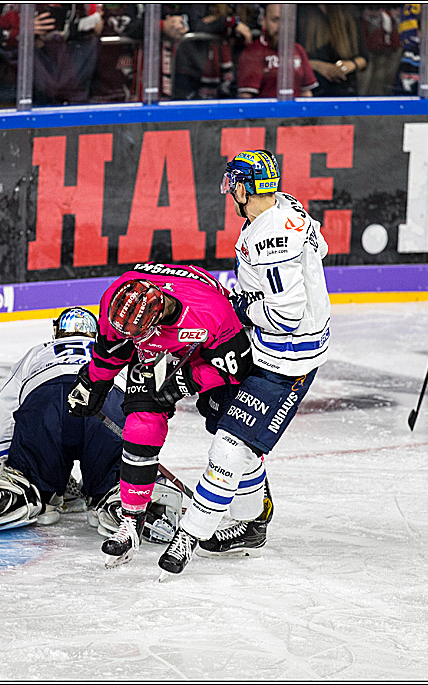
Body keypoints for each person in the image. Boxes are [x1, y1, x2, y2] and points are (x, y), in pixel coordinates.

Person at [155, 150, 332, 576]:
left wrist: (243, 305)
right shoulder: (285, 205)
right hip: (267, 346)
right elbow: (319, 242)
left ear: (245, 186)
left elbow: (287, 315)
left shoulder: (271, 241)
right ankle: (252, 522)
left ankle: (189, 535)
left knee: (229, 445)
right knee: (221, 417)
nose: (229, 189)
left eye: (233, 181)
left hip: (286, 359)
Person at [66, 263, 253, 569]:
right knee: (141, 425)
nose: (133, 342)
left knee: (233, 432)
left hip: (206, 351)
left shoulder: (211, 311)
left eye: (138, 335)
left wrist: (189, 381)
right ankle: (130, 519)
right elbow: (111, 350)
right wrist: (94, 384)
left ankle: (254, 520)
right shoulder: (117, 298)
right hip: (162, 350)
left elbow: (237, 368)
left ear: (157, 317)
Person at [0, 307, 130, 533]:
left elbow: (8, 401)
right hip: (104, 403)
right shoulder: (113, 352)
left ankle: (33, 496)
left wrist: (9, 461)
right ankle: (109, 501)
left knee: (33, 484)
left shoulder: (39, 351)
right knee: (111, 481)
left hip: (46, 404)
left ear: (57, 332)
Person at [237, 3, 317, 98]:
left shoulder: (298, 50)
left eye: (286, 20)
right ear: (263, 21)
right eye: (275, 20)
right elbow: (246, 97)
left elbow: (306, 93)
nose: (281, 26)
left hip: (295, 112)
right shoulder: (253, 52)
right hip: (266, 112)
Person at [297, 4, 367, 97]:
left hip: (345, 91)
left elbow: (364, 58)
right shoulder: (300, 12)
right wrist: (319, 66)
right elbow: (290, 58)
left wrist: (347, 66)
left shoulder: (348, 11)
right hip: (314, 92)